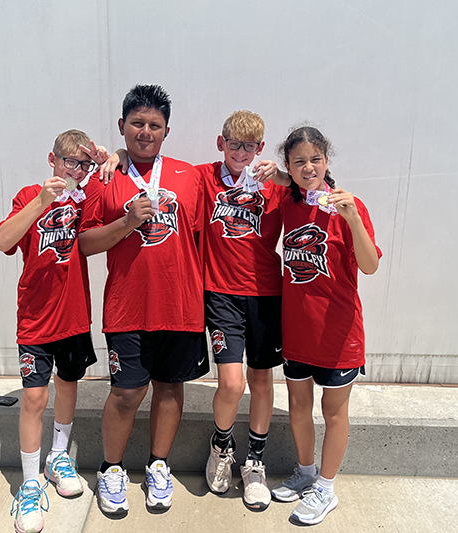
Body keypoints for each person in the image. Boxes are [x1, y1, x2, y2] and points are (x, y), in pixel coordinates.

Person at [79, 84, 208, 516]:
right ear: (122, 126)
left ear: (167, 131)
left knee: (170, 389)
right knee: (125, 394)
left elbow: (238, 183)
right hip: (127, 306)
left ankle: (158, 465)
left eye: (155, 125)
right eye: (137, 123)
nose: (145, 131)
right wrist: (126, 221)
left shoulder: (190, 176)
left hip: (180, 305)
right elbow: (85, 244)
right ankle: (111, 468)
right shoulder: (105, 177)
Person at [0, 130, 109, 533]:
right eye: (69, 162)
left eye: (83, 164)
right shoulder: (29, 194)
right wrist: (43, 202)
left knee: (69, 384)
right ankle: (28, 484)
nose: (75, 171)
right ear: (52, 159)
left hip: (74, 313)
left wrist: (108, 162)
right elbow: (2, 240)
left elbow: (100, 220)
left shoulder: (86, 195)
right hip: (36, 317)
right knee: (34, 397)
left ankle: (59, 457)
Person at [269, 126, 381, 526]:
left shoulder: (351, 207)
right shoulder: (288, 202)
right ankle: (305, 472)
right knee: (299, 407)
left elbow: (369, 264)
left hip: (339, 334)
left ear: (327, 161)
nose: (308, 167)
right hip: (298, 332)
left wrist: (352, 219)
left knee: (333, 412)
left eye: (315, 159)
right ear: (289, 165)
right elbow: (284, 183)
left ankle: (326, 488)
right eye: (299, 160)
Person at [196, 110, 284, 511]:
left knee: (261, 380)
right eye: (234, 144)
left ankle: (255, 463)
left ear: (261, 148)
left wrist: (283, 176)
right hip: (221, 293)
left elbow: (320, 187)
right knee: (231, 384)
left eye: (250, 146)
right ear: (221, 143)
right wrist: (121, 157)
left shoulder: (276, 185)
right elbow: (157, 170)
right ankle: (221, 446)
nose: (241, 153)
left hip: (266, 294)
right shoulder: (205, 178)